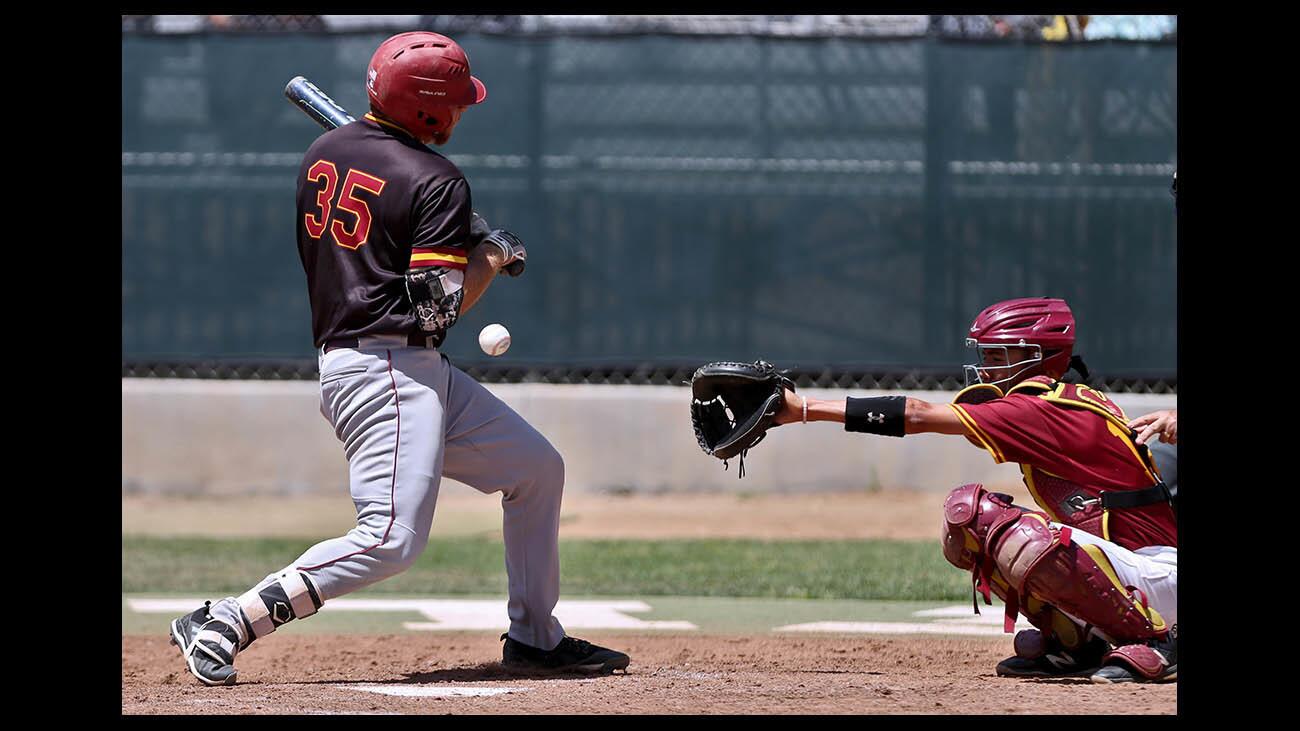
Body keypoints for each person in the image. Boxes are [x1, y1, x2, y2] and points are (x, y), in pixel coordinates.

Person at [167, 31, 629, 686]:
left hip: (389, 363)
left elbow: (387, 232)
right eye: (457, 102)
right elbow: (436, 311)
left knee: (535, 469)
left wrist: (457, 228)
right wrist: (491, 255)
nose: (465, 110)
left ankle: (534, 636)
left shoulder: (324, 151)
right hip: (386, 367)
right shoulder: (436, 182)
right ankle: (228, 619)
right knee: (389, 538)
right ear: (428, 110)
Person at [772, 297, 1176, 683]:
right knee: (969, 525)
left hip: (1161, 574)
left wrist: (802, 410)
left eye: (999, 357)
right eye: (986, 356)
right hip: (1136, 573)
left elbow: (917, 415)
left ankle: (1159, 643)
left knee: (996, 521)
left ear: (1038, 357)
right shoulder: (1058, 401)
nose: (986, 369)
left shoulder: (1040, 409)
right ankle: (1079, 646)